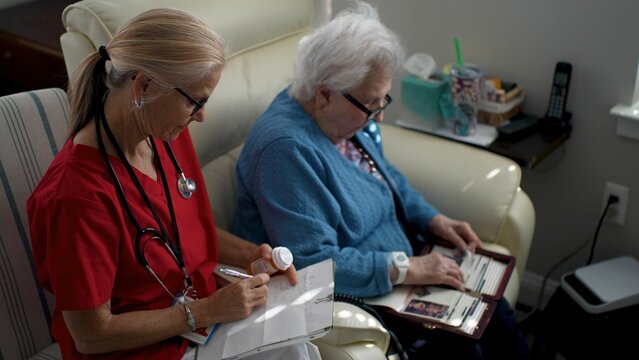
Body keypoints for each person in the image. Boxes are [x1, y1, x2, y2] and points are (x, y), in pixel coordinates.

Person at [232, 2, 531, 359]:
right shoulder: (286, 150)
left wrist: (432, 218)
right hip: (365, 290)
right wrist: (406, 268)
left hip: (398, 263)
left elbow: (385, 178)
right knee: (466, 350)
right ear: (324, 93)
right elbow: (313, 262)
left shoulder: (340, 117)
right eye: (371, 104)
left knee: (494, 313)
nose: (379, 115)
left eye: (382, 99)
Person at [27, 9, 318, 360]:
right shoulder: (77, 197)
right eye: (195, 101)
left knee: (299, 342)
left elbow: (183, 230)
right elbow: (91, 335)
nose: (201, 116)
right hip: (140, 351)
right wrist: (207, 311)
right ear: (144, 85)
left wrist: (251, 255)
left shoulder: (163, 135)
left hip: (198, 329)